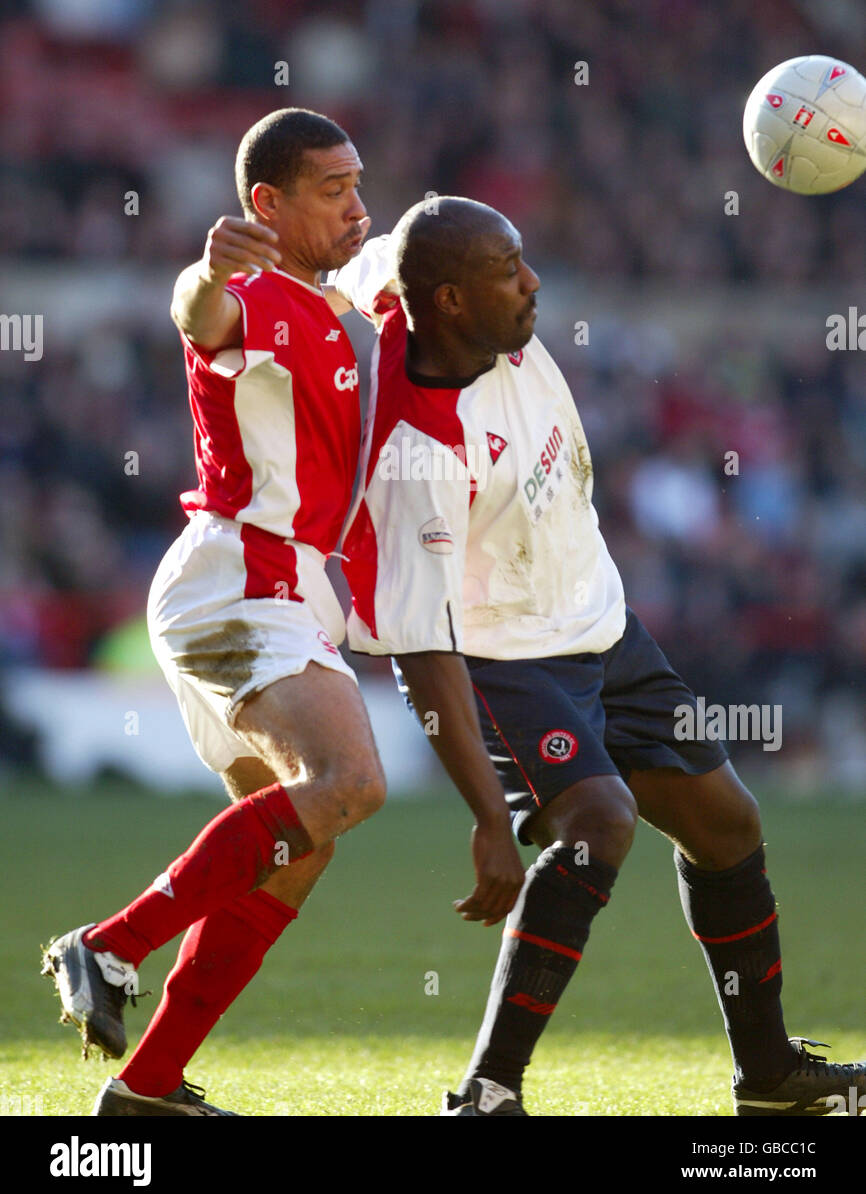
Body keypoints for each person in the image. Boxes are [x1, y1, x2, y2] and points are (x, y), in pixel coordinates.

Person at [331, 195, 866, 1117]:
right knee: (599, 823)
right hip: (505, 660)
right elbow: (421, 652)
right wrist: (489, 822)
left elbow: (368, 260)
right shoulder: (420, 453)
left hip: (604, 625)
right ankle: (488, 1094)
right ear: (451, 302)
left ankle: (770, 1075)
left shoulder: (410, 280)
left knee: (728, 824)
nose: (533, 281)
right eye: (509, 271)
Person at [41, 115, 523, 1118]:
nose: (356, 204)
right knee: (349, 781)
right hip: (240, 577)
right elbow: (196, 312)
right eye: (330, 188)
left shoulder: (335, 309)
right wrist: (206, 270)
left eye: (359, 183)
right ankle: (109, 945)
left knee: (301, 845)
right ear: (267, 205)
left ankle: (150, 1085)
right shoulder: (256, 294)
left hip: (287, 590)